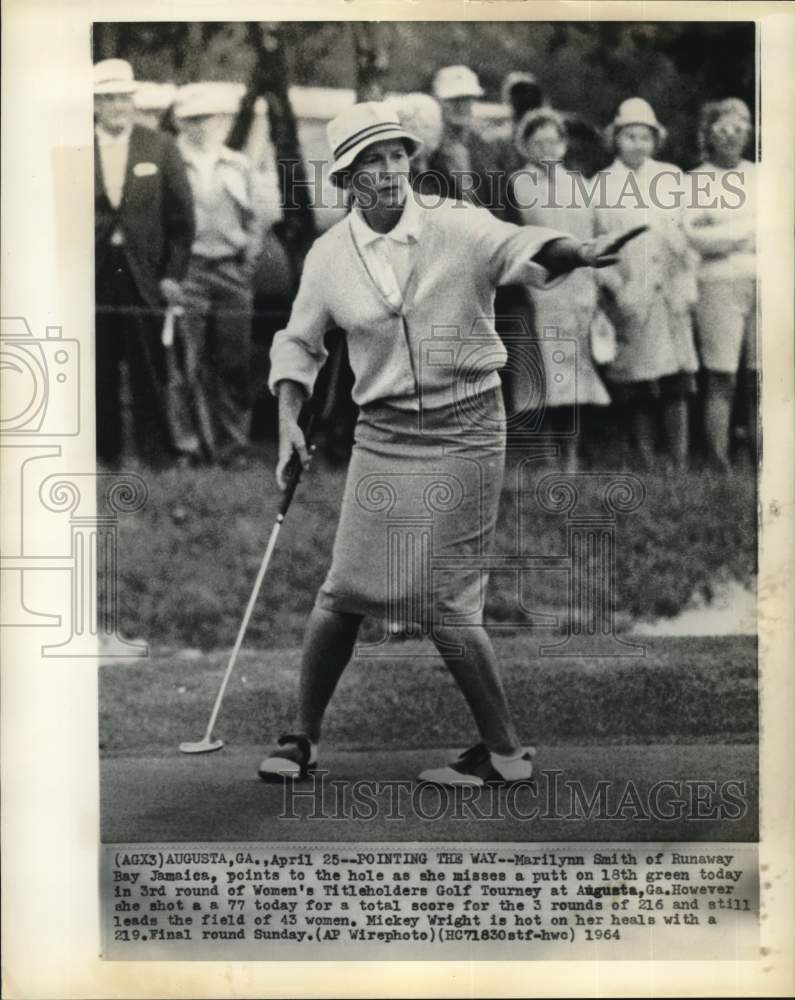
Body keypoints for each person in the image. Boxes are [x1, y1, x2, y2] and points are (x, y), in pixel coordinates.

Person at [257, 101, 642, 787]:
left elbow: (522, 248)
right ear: (346, 176)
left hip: (467, 428)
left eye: (397, 154)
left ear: (413, 160)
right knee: (342, 591)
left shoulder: (456, 226)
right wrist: (288, 419)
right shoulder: (328, 256)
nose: (389, 171)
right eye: (371, 160)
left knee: (445, 601)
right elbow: (298, 343)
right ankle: (301, 739)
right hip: (382, 434)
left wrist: (577, 252)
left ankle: (503, 754)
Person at [94, 58, 195, 467]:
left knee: (150, 368)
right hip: (95, 278)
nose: (118, 105)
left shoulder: (160, 147)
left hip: (145, 277)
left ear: (133, 100)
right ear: (95, 105)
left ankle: (157, 457)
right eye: (108, 98)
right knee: (98, 368)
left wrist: (172, 275)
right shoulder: (74, 147)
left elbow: (182, 222)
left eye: (124, 96)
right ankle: (105, 454)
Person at [595, 98, 699, 470]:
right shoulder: (602, 185)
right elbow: (600, 248)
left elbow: (689, 231)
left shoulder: (671, 176)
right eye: (630, 136)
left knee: (677, 380)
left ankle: (680, 459)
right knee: (638, 380)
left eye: (645, 137)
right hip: (632, 292)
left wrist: (685, 277)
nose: (638, 144)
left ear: (656, 140)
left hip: (669, 288)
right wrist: (617, 288)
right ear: (616, 139)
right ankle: (644, 457)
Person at [511, 108, 611, 471]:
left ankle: (571, 458)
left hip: (580, 291)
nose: (547, 148)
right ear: (525, 146)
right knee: (543, 380)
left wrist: (597, 283)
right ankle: (545, 456)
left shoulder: (581, 185)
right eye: (538, 142)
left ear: (564, 144)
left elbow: (592, 235)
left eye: (553, 141)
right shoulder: (520, 184)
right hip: (540, 290)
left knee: (575, 379)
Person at [174, 82, 264, 467]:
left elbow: (258, 219)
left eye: (206, 119)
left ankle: (233, 447)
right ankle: (188, 446)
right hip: (189, 271)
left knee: (234, 363)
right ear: (180, 122)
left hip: (231, 270)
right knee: (185, 363)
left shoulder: (237, 164)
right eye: (192, 119)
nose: (200, 127)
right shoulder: (172, 162)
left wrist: (247, 259)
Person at [684, 98, 757, 470]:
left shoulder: (761, 175)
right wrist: (745, 234)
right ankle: (719, 458)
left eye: (739, 127)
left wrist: (723, 230)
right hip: (717, 285)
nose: (732, 136)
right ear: (709, 135)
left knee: (762, 373)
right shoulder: (695, 180)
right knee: (722, 373)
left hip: (765, 283)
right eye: (723, 129)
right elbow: (696, 238)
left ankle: (764, 455)